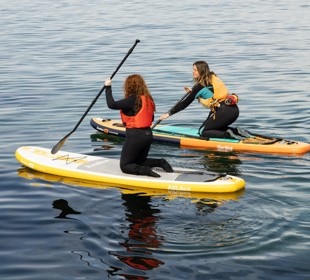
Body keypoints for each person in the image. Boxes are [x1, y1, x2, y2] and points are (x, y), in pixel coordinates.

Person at [104, 74, 173, 177]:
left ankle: (145, 171)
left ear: (129, 86)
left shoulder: (132, 100)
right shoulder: (148, 99)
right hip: (148, 135)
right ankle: (160, 162)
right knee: (139, 161)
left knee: (125, 166)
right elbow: (151, 118)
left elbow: (112, 104)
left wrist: (108, 87)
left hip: (135, 136)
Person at [159, 61, 240, 139]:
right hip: (233, 109)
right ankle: (237, 131)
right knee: (212, 128)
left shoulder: (199, 86)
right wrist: (193, 93)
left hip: (223, 111)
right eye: (193, 69)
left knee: (202, 131)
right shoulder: (212, 80)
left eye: (195, 70)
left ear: (201, 71)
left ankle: (227, 134)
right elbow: (209, 94)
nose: (192, 72)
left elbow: (184, 103)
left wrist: (168, 114)